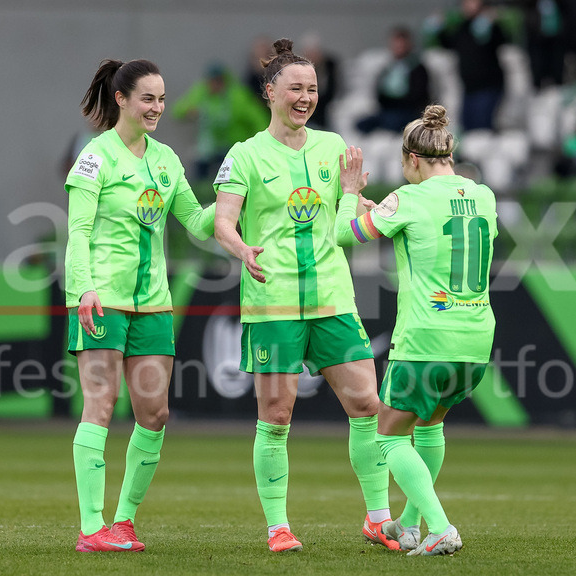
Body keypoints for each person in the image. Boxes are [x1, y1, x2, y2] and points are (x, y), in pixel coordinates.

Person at [213, 38, 398, 554]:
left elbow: (350, 218)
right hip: (273, 302)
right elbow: (223, 221)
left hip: (334, 298)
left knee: (368, 405)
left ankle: (378, 518)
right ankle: (278, 526)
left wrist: (364, 196)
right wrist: (242, 248)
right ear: (269, 92)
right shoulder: (245, 155)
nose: (305, 97)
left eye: (312, 89)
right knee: (276, 414)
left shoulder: (334, 147)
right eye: (295, 87)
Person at [63, 58, 216, 552]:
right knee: (101, 405)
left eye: (163, 98)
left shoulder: (167, 159)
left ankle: (123, 522)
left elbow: (196, 221)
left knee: (154, 413)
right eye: (148, 98)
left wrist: (240, 198)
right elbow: (79, 231)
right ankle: (91, 528)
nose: (158, 107)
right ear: (122, 99)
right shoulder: (94, 156)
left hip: (153, 304)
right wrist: (84, 287)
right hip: (100, 298)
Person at [333, 104, 497, 556]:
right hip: (476, 336)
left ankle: (440, 527)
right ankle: (408, 524)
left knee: (387, 435)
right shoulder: (483, 195)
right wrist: (383, 210)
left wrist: (351, 194)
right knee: (428, 426)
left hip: (427, 336)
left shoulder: (407, 198)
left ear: (411, 159)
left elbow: (344, 234)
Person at [173, 62, 268, 181]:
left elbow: (258, 119)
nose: (215, 85)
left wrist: (262, 142)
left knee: (230, 176)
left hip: (233, 145)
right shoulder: (202, 93)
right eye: (212, 81)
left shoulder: (238, 96)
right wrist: (189, 111)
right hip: (210, 146)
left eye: (218, 81)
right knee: (199, 167)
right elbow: (177, 111)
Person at [436, 0, 507, 131]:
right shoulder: (464, 27)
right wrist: (440, 28)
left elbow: (502, 40)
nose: (466, 6)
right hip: (469, 88)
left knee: (482, 128)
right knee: (468, 127)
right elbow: (449, 43)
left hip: (488, 86)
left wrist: (492, 25)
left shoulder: (489, 25)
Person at [357, 27, 432, 134]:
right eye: (395, 45)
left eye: (401, 45)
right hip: (387, 111)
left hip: (408, 111)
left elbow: (418, 96)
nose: (398, 48)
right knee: (362, 124)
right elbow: (380, 93)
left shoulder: (418, 68)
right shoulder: (387, 68)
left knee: (394, 122)